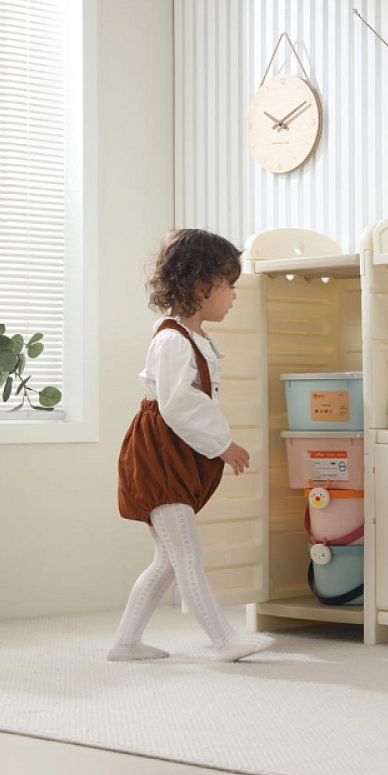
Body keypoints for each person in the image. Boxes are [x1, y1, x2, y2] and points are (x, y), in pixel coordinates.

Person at [108, 228, 275, 663]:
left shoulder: (190, 337)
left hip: (170, 453)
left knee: (167, 560)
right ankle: (224, 639)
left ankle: (126, 643)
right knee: (186, 555)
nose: (234, 295)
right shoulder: (172, 341)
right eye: (229, 285)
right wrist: (222, 445)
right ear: (201, 286)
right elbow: (179, 404)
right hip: (159, 457)